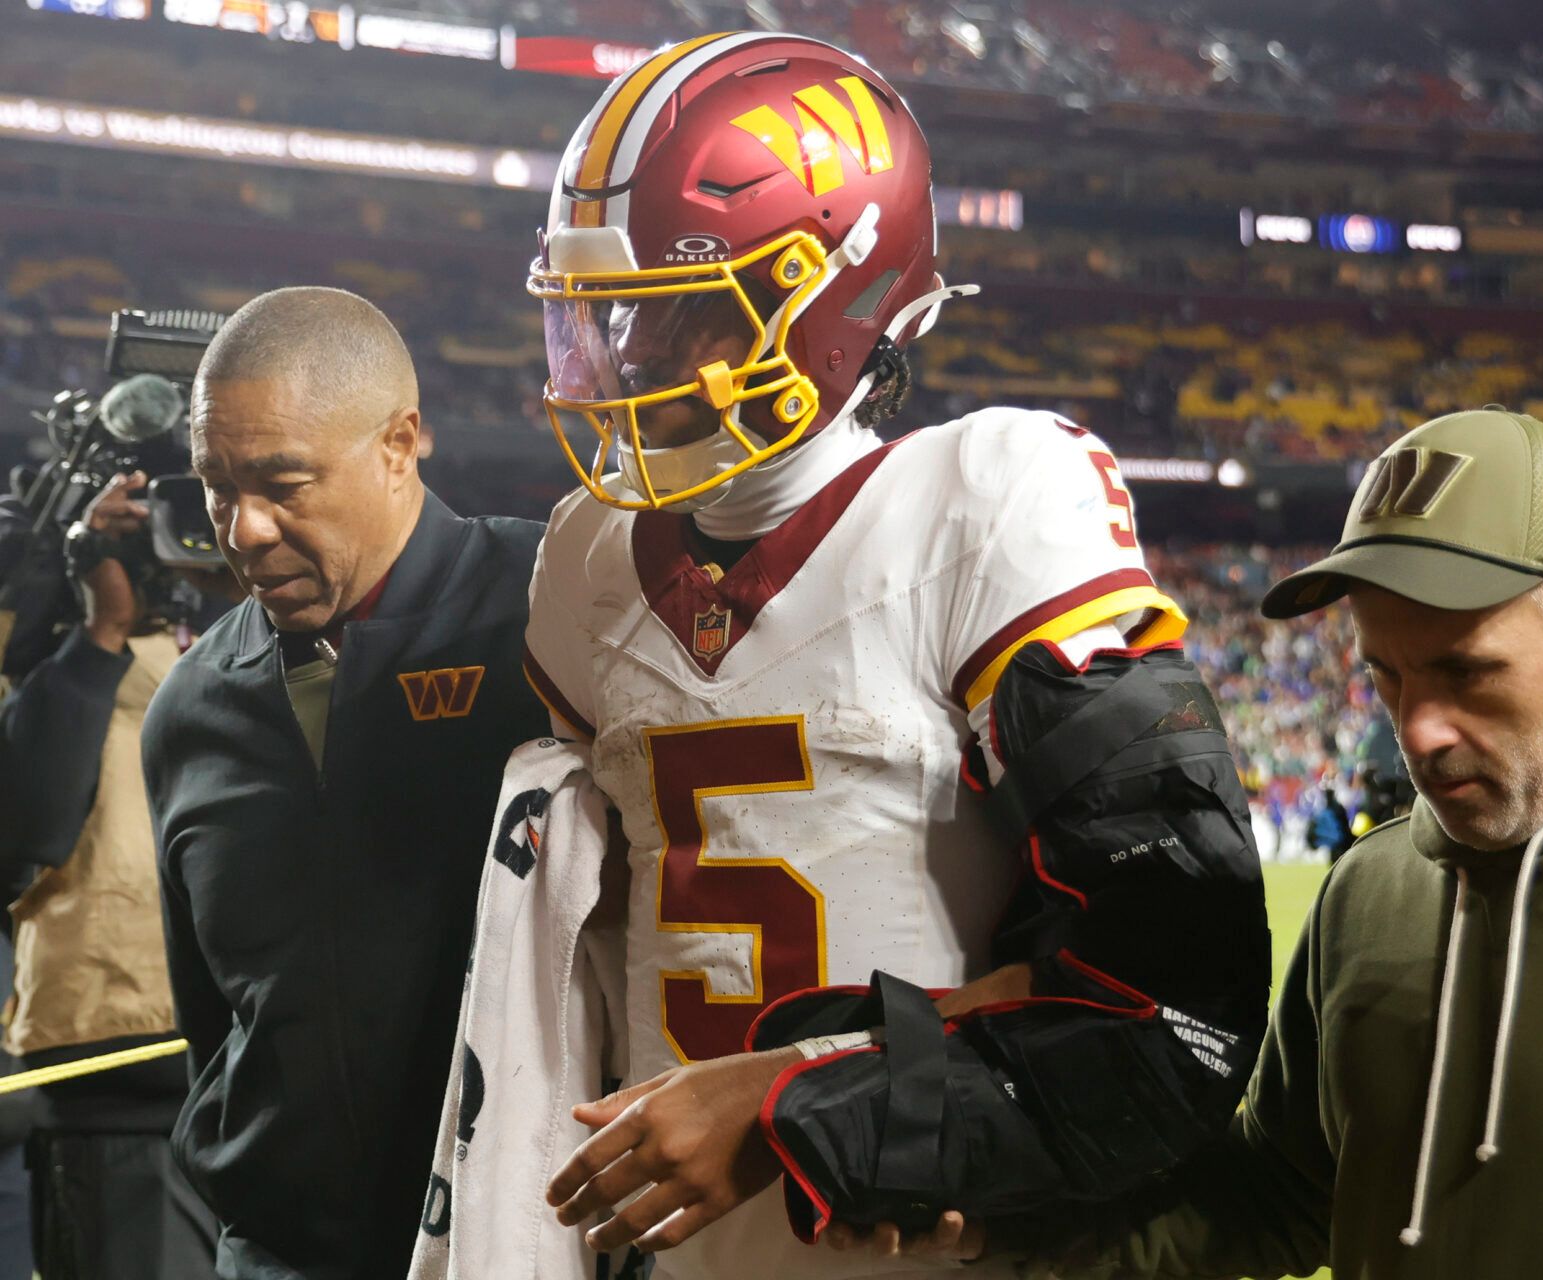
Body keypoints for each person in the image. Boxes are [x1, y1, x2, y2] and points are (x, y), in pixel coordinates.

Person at [425, 30, 1271, 1280]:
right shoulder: (582, 563)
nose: (632, 364)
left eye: (688, 318)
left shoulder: (984, 498)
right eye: (607, 319)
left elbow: (1170, 1000)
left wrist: (810, 1109)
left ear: (839, 296)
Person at [904, 410, 1543, 1278]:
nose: (1418, 727)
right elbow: (1281, 1187)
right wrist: (1007, 1230)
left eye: (1468, 670)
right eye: (1386, 675)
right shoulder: (1371, 892)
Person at [142, 287, 550, 1279]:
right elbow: (216, 1021)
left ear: (402, 441)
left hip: (523, 1246)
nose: (241, 528)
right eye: (215, 485)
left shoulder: (555, 613)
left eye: (284, 481)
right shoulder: (191, 706)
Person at [0, 470, 229, 1278]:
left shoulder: (248, 630)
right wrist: (101, 628)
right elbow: (24, 831)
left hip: (255, 1074)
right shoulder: (45, 654)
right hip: (118, 1078)